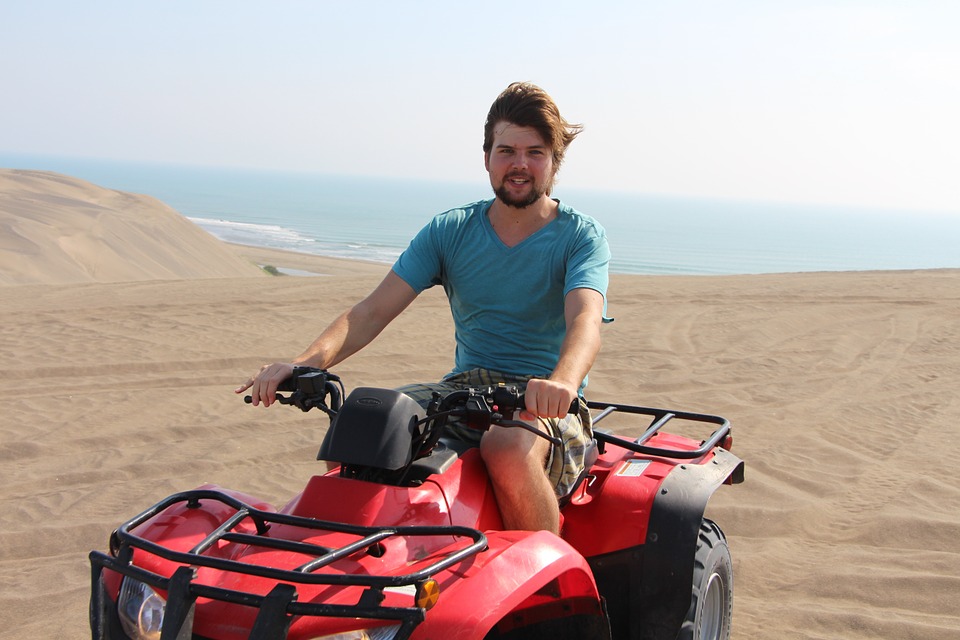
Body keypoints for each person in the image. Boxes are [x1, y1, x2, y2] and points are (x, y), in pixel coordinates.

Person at [237, 82, 610, 535]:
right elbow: (371, 311)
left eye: (535, 152)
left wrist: (562, 382)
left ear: (554, 161)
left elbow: (585, 319)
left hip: (546, 399)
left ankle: (552, 589)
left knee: (507, 447)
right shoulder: (450, 231)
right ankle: (348, 571)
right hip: (465, 390)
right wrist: (302, 365)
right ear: (487, 156)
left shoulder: (579, 237)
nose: (519, 164)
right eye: (506, 150)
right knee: (361, 428)